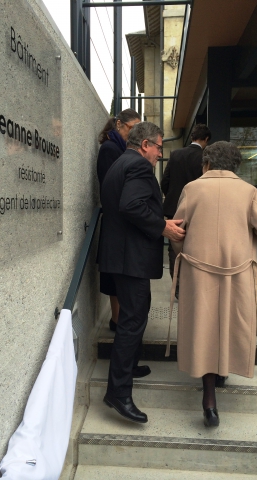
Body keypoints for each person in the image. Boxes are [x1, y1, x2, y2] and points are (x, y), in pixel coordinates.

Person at [168, 141, 257, 427]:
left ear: (206, 163)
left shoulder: (192, 189)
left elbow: (176, 233)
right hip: (237, 272)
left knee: (205, 327)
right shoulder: (248, 192)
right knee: (231, 324)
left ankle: (209, 398)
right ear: (235, 166)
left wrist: (182, 250)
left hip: (198, 271)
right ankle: (221, 373)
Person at [98, 122, 185, 424]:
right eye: (160, 147)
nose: (161, 154)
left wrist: (162, 220)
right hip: (129, 260)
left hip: (123, 257)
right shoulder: (138, 167)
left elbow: (131, 207)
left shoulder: (122, 162)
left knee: (137, 314)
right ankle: (118, 393)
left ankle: (130, 364)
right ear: (146, 144)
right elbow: (132, 205)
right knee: (133, 321)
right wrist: (163, 226)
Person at [97, 109, 141, 332]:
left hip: (120, 223)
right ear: (120, 124)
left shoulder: (120, 148)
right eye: (133, 128)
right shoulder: (110, 149)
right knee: (115, 278)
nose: (135, 134)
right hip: (116, 223)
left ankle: (119, 321)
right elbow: (110, 188)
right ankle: (116, 321)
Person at [161, 124, 211, 295]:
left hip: (174, 208)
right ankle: (194, 286)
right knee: (197, 245)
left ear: (192, 137)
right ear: (206, 139)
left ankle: (177, 286)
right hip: (198, 210)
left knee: (174, 246)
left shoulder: (175, 154)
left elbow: (164, 182)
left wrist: (174, 198)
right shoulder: (206, 158)